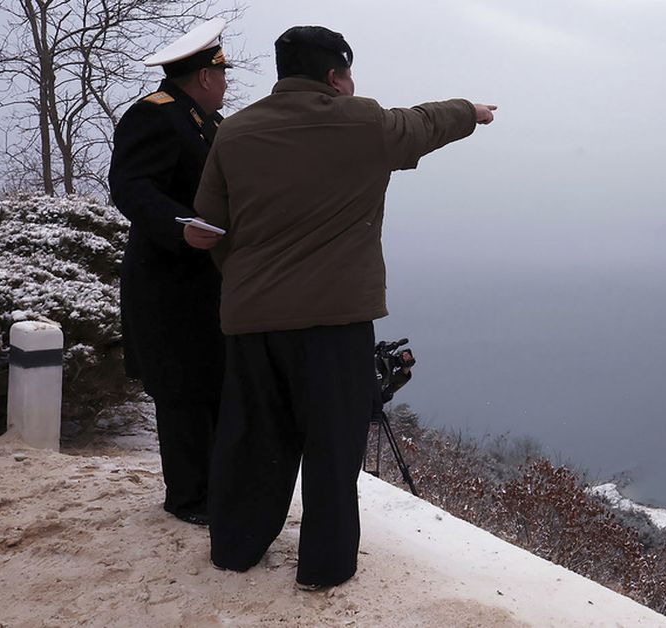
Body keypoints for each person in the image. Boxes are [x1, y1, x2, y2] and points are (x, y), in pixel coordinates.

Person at [186, 25, 496, 590]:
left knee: (253, 437)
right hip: (335, 323)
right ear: (335, 76)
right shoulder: (364, 123)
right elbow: (425, 122)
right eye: (348, 75)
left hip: (253, 319)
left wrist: (247, 282)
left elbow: (210, 228)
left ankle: (235, 550)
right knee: (332, 446)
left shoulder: (234, 133)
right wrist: (470, 111)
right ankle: (324, 568)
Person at [108, 18, 232, 526]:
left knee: (213, 382)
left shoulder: (211, 124)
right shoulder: (153, 116)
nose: (226, 84)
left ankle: (215, 489)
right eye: (222, 75)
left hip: (208, 281)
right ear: (204, 77)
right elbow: (130, 186)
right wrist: (178, 230)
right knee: (181, 389)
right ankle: (188, 499)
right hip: (166, 281)